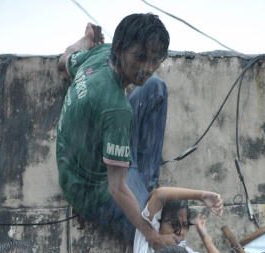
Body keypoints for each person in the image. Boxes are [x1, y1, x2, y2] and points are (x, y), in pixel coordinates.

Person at [56, 13, 175, 249]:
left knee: (155, 88)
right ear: (120, 48)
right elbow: (117, 188)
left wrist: (86, 39)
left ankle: (146, 186)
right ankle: (144, 199)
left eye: (155, 60)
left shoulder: (99, 55)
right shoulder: (117, 111)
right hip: (91, 191)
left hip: (75, 159)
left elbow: (64, 58)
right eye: (140, 57)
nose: (147, 68)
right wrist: (151, 234)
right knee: (161, 235)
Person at [133, 187, 223, 253]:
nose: (180, 232)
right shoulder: (146, 243)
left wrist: (205, 237)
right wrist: (200, 195)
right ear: (157, 224)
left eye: (184, 225)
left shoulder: (184, 250)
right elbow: (159, 195)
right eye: (173, 224)